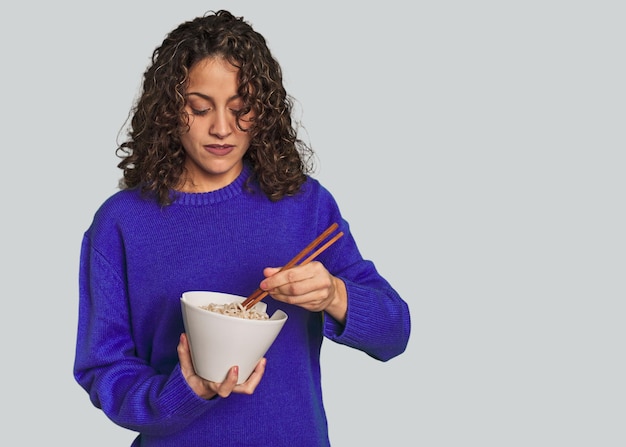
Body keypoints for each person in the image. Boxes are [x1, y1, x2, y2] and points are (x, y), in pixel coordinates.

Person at [73, 9, 411, 447]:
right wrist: (186, 391)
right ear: (169, 111)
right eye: (199, 108)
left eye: (241, 109)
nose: (221, 128)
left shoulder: (304, 205)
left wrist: (335, 295)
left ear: (263, 112)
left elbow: (395, 332)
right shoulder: (122, 223)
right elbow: (104, 371)